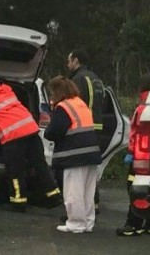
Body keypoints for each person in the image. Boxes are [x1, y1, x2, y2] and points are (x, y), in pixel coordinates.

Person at [0, 68, 62, 212]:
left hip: (14, 137)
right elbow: (3, 115)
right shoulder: (6, 90)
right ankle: (54, 197)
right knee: (40, 164)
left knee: (15, 170)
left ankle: (18, 202)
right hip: (31, 130)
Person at [44, 76, 102, 234]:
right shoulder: (80, 103)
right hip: (91, 153)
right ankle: (88, 223)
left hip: (74, 155)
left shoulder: (63, 107)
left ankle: (76, 223)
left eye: (52, 93)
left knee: (73, 192)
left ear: (58, 92)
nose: (51, 97)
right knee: (87, 192)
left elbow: (53, 132)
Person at [117, 72, 150, 236]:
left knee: (135, 189)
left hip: (141, 158)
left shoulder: (143, 107)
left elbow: (138, 134)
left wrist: (131, 153)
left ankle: (133, 225)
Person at [66, 48, 106, 212]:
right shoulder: (96, 79)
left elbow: (74, 104)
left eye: (69, 60)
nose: (68, 64)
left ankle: (78, 210)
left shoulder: (78, 78)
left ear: (75, 60)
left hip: (82, 129)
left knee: (78, 172)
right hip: (96, 128)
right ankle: (93, 205)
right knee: (90, 171)